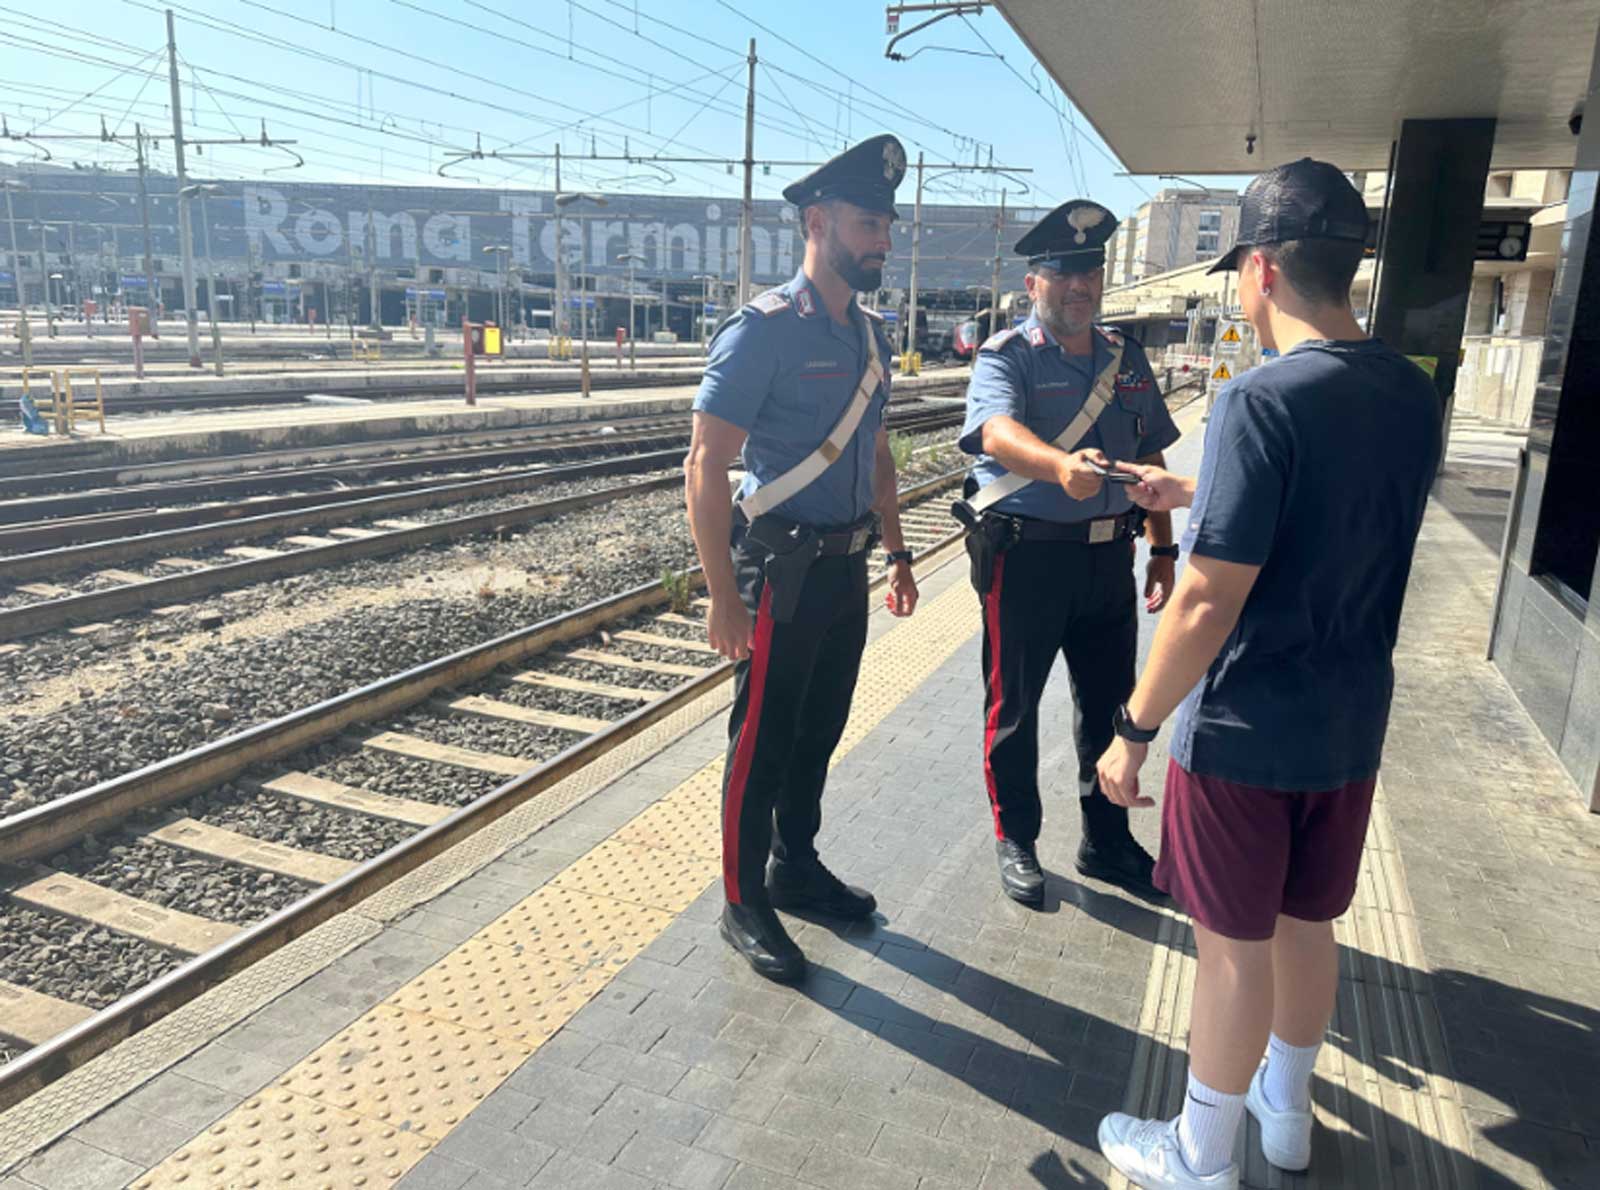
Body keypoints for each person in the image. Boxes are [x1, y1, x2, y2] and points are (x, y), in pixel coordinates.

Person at [1092, 159, 1441, 1189]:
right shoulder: (1407, 392)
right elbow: (1333, 498)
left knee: (1230, 944)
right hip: (1347, 722)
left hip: (1243, 728)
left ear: (1260, 271)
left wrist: (1134, 726)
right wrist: (1195, 487)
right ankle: (1283, 1118)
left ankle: (1201, 1152)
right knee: (1307, 922)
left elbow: (1204, 599)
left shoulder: (1256, 400)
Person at [684, 134, 920, 983]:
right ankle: (743, 899)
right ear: (817, 222)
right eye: (867, 224)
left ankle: (796, 866)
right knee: (762, 737)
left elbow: (880, 453)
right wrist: (722, 596)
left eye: (888, 226)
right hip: (779, 572)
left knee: (818, 729)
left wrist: (896, 553)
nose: (882, 241)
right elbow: (705, 464)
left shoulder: (871, 335)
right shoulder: (763, 332)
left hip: (846, 566)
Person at [956, 199, 1181, 906]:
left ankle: (1105, 840)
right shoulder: (1009, 356)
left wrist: (1164, 551)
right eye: (1063, 274)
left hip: (1108, 560)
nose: (1080, 287)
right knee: (1014, 708)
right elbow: (994, 431)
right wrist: (1059, 466)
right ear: (1034, 285)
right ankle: (1016, 837)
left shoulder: (1127, 357)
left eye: (1090, 273)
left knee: (1112, 706)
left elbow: (1150, 454)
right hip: (1027, 559)